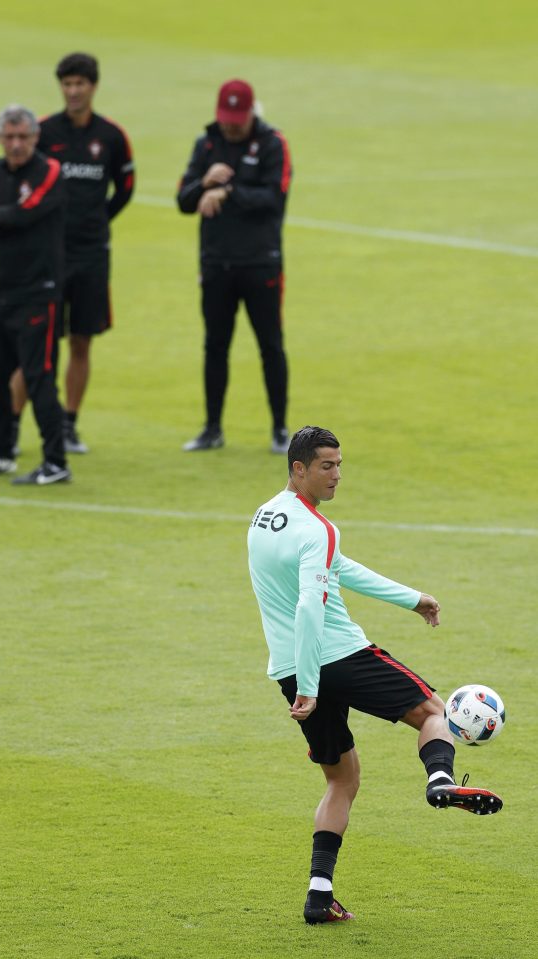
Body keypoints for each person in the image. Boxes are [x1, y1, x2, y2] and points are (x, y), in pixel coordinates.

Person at [247, 426, 503, 925]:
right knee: (435, 710)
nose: (337, 475)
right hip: (337, 656)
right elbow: (308, 607)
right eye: (327, 466)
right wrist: (312, 684)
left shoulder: (263, 518)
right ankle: (440, 780)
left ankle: (319, 896)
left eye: (340, 464)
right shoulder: (317, 528)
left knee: (341, 779)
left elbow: (337, 568)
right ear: (298, 469)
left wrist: (411, 598)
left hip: (287, 666)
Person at [11, 52, 135, 454]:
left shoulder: (111, 137)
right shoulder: (43, 133)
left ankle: (69, 424)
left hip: (92, 255)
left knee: (81, 341)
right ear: (60, 87)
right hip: (48, 256)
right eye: (67, 83)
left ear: (93, 87)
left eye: (80, 83)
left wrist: (98, 220)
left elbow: (126, 187)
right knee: (35, 342)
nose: (74, 90)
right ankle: (9, 429)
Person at [177, 78, 292, 454]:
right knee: (215, 346)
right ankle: (212, 428)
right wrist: (203, 183)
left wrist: (227, 191)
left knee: (270, 346)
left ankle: (279, 428)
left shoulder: (273, 144)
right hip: (216, 265)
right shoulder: (206, 144)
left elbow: (274, 198)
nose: (230, 125)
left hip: (261, 264)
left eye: (236, 119)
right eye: (225, 118)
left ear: (249, 113)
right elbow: (183, 199)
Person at [0, 104, 70, 486]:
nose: (17, 144)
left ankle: (55, 461)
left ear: (35, 137)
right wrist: (4, 216)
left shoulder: (49, 170)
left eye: (23, 136)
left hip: (39, 294)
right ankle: (1, 453)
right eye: (10, 136)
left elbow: (28, 212)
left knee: (39, 378)